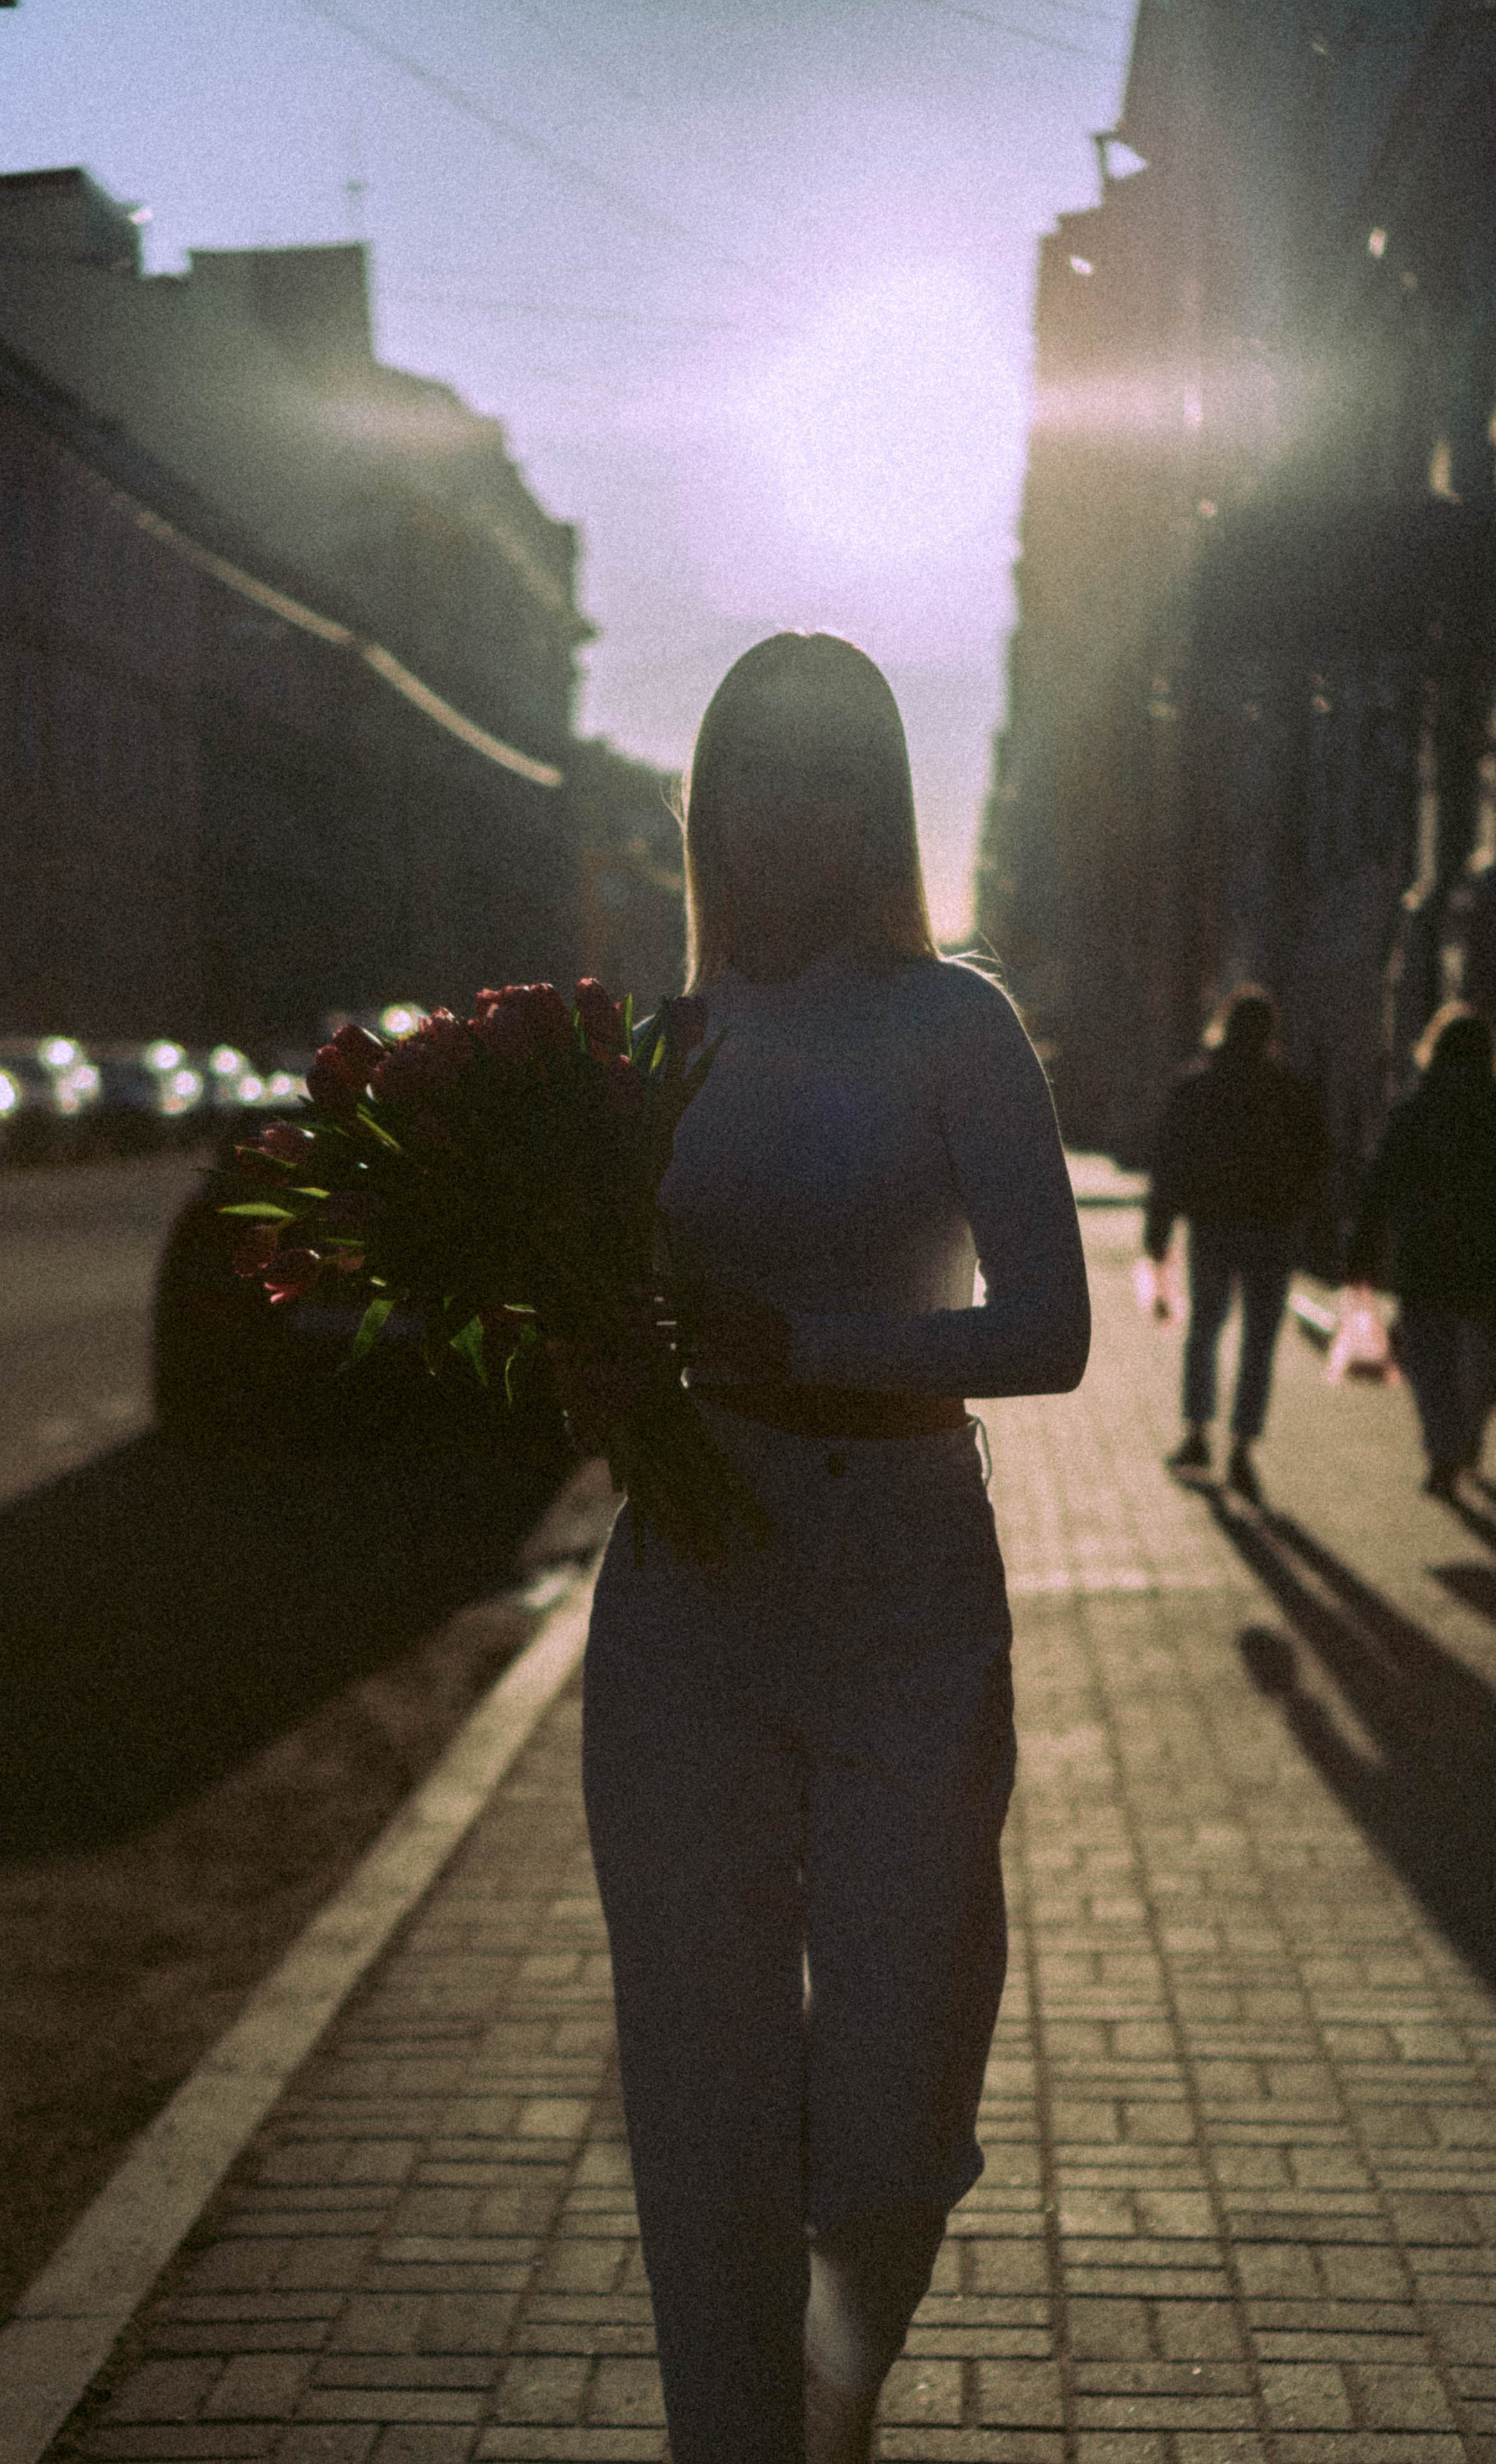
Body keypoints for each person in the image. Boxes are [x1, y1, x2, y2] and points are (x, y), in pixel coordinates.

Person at [557, 632, 1090, 2464]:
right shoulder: (662, 1040)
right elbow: (632, 1332)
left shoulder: (955, 1022)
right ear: (707, 803)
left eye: (834, 773)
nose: (792, 808)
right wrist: (590, 1371)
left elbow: (1052, 1331)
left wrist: (820, 1355)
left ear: (882, 806)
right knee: (703, 2104)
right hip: (686, 1596)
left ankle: (830, 2396)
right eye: (755, 772)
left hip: (906, 1588)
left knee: (891, 2113)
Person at [1345, 1004, 1496, 1496]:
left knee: (1429, 1365)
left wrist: (1361, 1253)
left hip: (1424, 1260)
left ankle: (1443, 1450)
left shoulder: (1413, 1113)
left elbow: (1379, 1189)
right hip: (1491, 1261)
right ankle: (1466, 1439)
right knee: (1478, 1360)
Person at [1144, 986, 1328, 1504]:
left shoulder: (1198, 1087)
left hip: (1214, 1228)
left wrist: (1158, 1234)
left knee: (1205, 1329)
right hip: (1273, 1229)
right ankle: (1243, 1447)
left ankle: (1198, 1435)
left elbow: (1170, 1162)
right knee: (1259, 1343)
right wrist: (1304, 1218)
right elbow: (1318, 1159)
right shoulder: (1290, 1091)